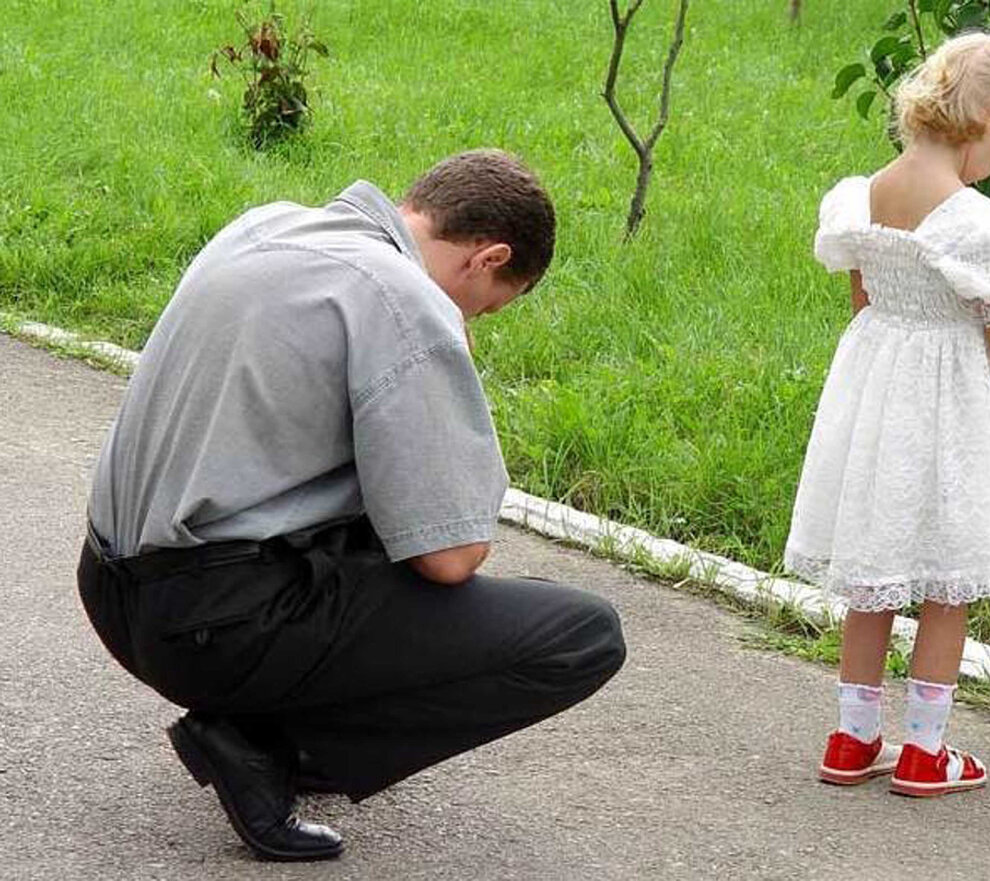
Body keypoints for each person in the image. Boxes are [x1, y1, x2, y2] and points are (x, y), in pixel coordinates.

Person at [77, 149, 626, 860]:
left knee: (362, 513)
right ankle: (260, 742)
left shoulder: (268, 225)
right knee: (580, 635)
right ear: (488, 258)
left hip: (113, 589)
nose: (475, 321)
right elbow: (449, 556)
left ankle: (258, 726)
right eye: (488, 308)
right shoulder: (404, 297)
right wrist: (450, 362)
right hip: (216, 625)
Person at [784, 34, 990, 797]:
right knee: (947, 577)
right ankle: (925, 750)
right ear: (989, 120)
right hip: (951, 403)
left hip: (877, 393)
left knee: (873, 571)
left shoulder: (864, 195)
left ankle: (852, 737)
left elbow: (862, 296)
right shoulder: (978, 223)